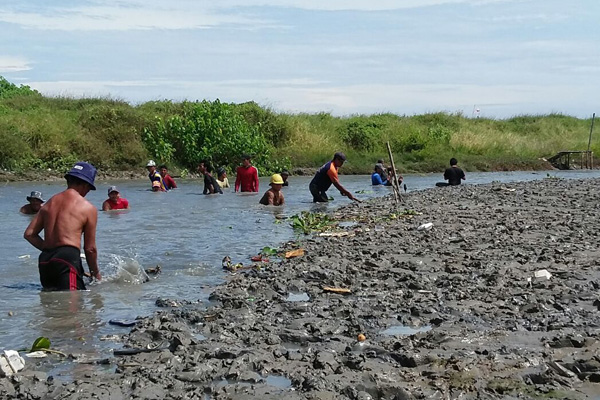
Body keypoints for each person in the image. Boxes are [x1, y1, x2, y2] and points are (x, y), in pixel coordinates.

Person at [23, 162, 101, 291]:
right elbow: (90, 249)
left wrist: (50, 250)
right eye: (89, 188)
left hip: (45, 260)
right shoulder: (88, 208)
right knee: (71, 306)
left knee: (51, 306)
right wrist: (95, 273)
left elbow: (29, 234)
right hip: (67, 258)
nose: (87, 192)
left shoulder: (49, 203)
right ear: (85, 184)